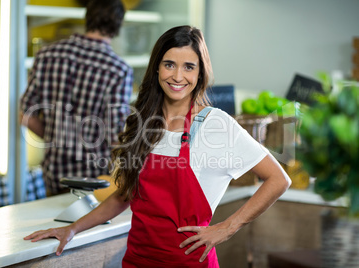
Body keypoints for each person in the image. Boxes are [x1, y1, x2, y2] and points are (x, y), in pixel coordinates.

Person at [24, 25, 291, 267]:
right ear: (156, 68)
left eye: (189, 66)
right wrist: (72, 229)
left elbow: (278, 179)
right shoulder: (142, 122)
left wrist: (227, 227)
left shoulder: (213, 123)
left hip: (188, 263)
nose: (178, 75)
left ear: (200, 73)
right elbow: (125, 195)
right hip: (138, 259)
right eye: (169, 64)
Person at [20, 0, 133, 196]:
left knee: (54, 225)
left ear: (87, 18)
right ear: (117, 27)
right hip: (94, 178)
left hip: (54, 173)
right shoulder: (119, 70)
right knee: (88, 227)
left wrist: (54, 138)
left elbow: (25, 115)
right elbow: (115, 135)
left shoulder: (46, 55)